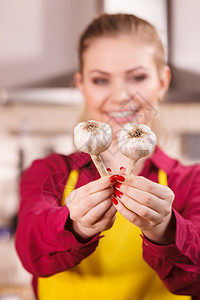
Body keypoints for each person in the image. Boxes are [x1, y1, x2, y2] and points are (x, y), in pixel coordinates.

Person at [15, 13, 200, 300]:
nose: (120, 96)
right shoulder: (48, 172)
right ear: (82, 86)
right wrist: (75, 226)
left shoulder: (191, 182)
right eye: (100, 80)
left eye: (137, 77)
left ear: (162, 82)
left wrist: (164, 230)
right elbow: (30, 252)